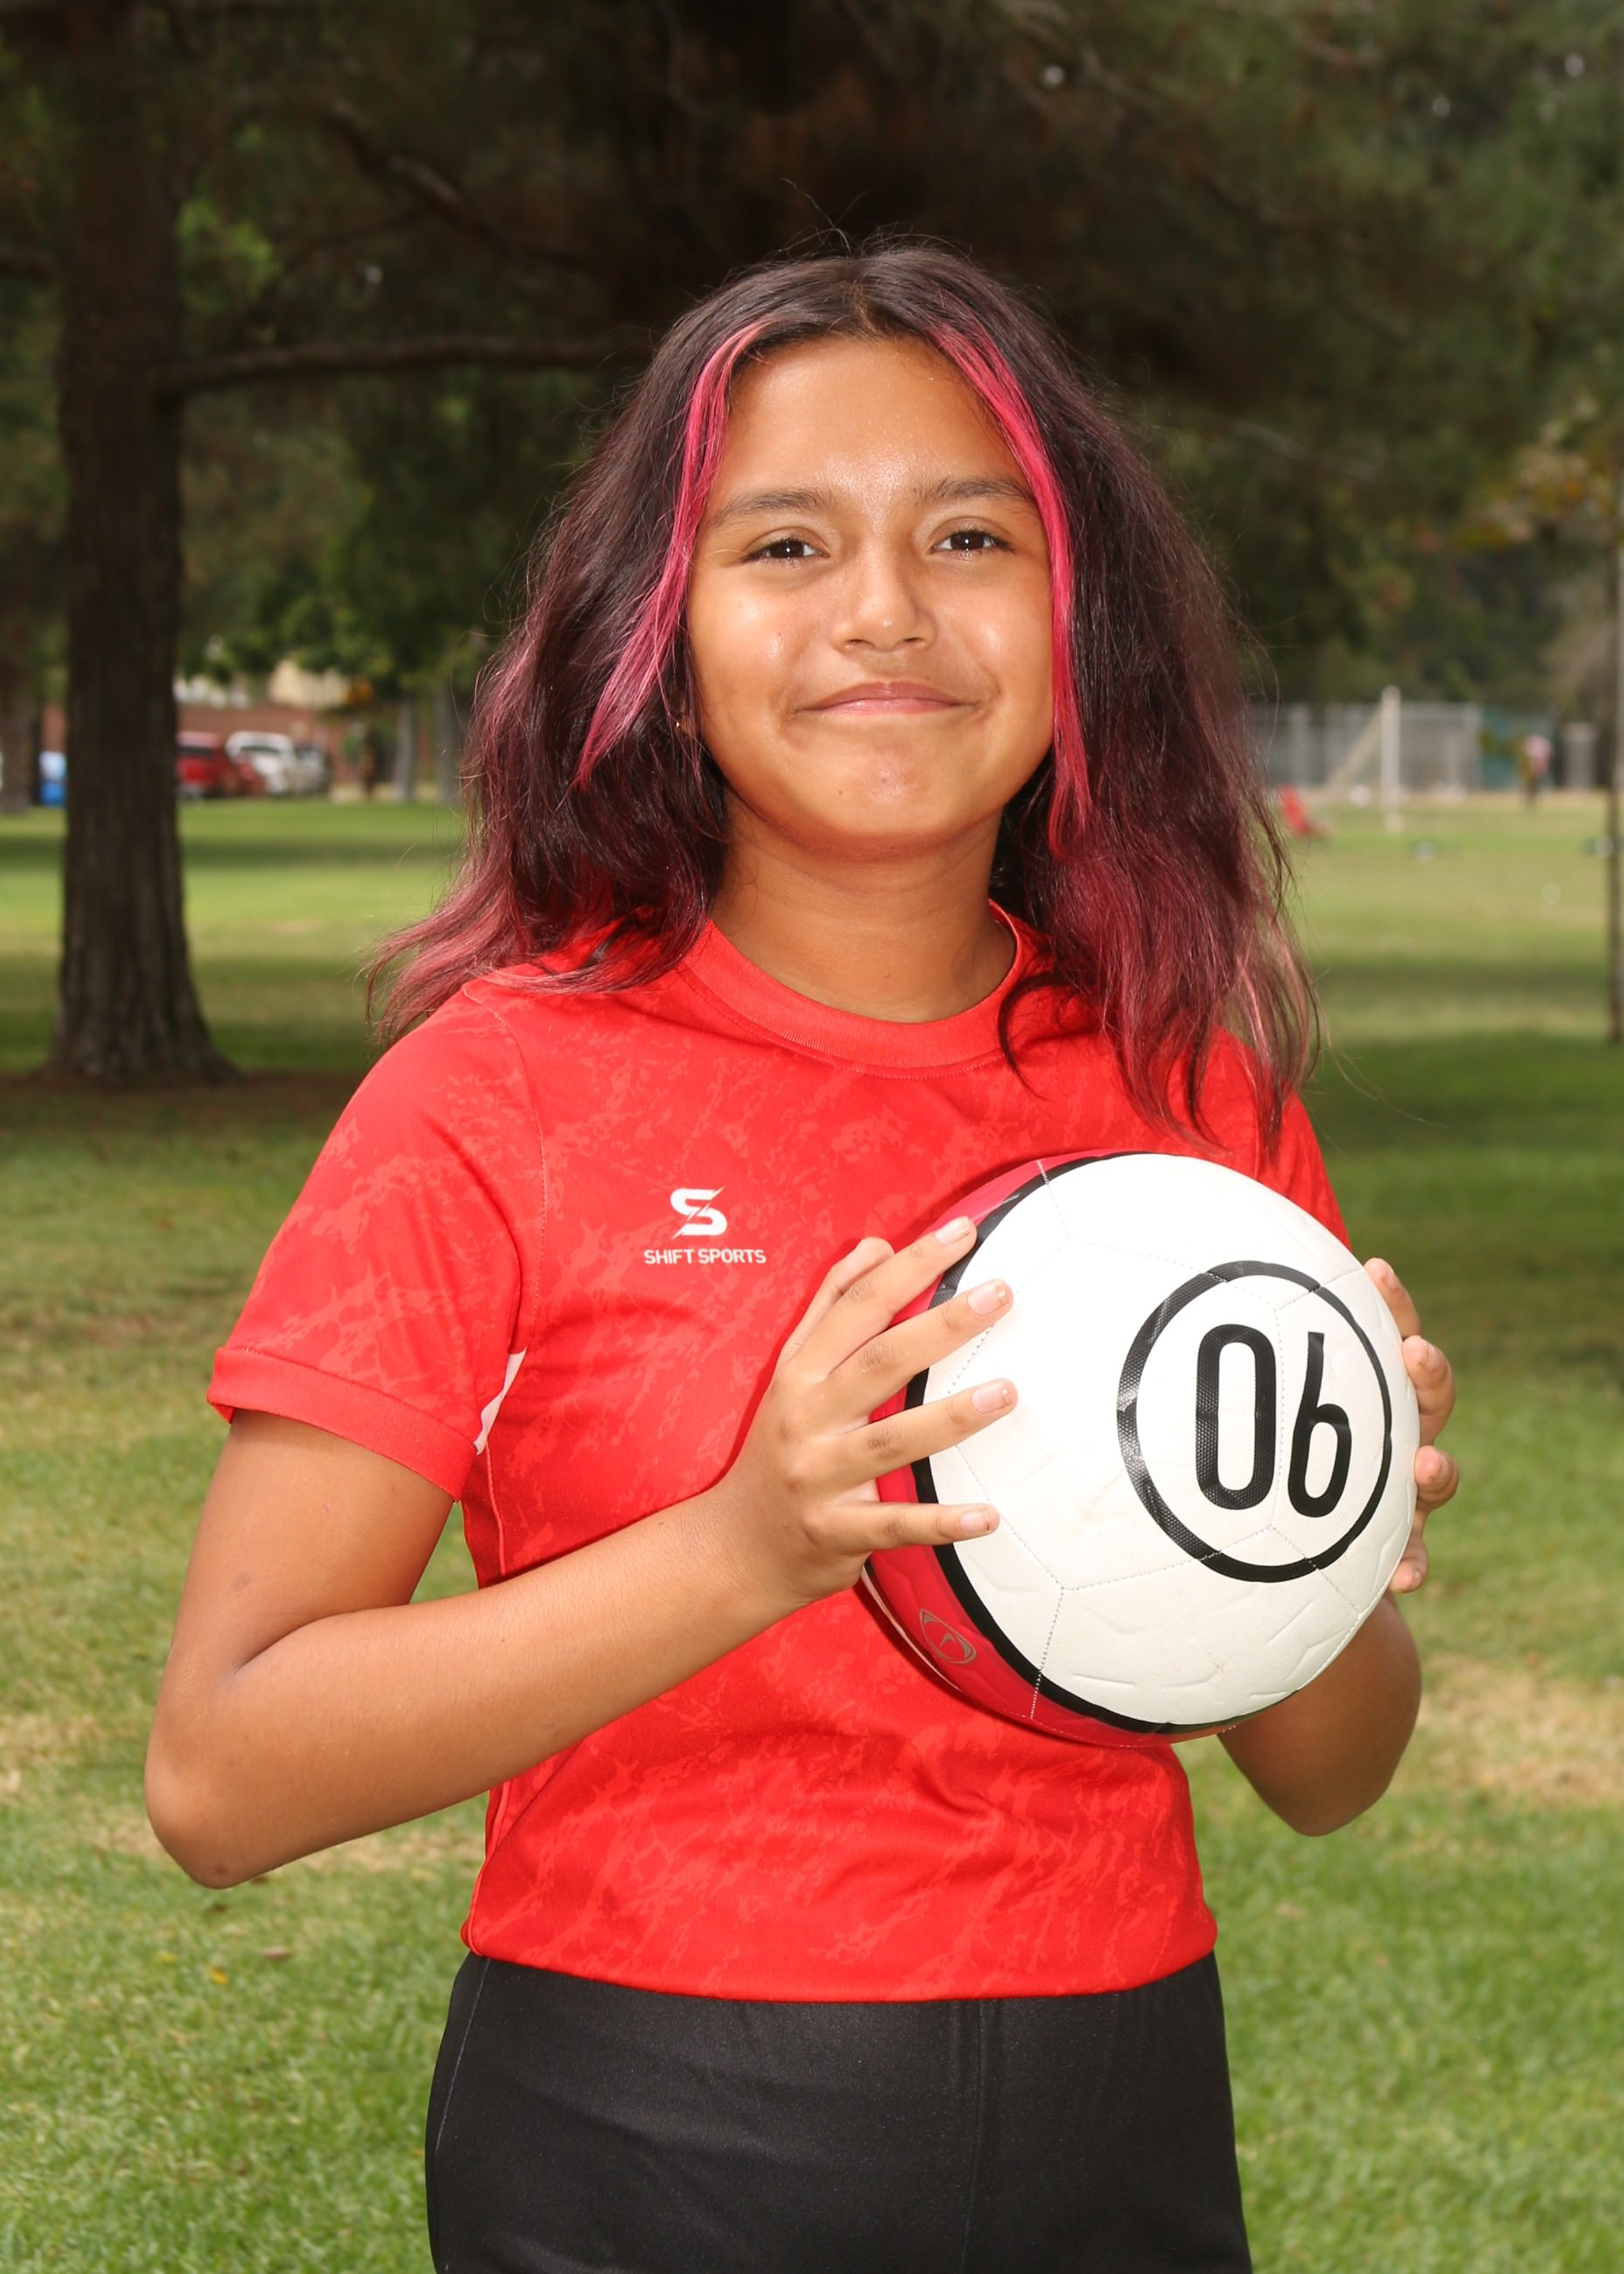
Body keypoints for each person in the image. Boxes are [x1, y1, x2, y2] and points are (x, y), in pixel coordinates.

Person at [145, 246, 1458, 2273]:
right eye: (783, 542)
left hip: (1119, 2098)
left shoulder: (1187, 1095)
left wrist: (1320, 1529)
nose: (884, 611)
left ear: (1077, 617)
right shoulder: (494, 1096)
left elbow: (1329, 1770)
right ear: (662, 637)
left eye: (969, 536)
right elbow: (221, 1772)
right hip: (645, 2121)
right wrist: (746, 1544)